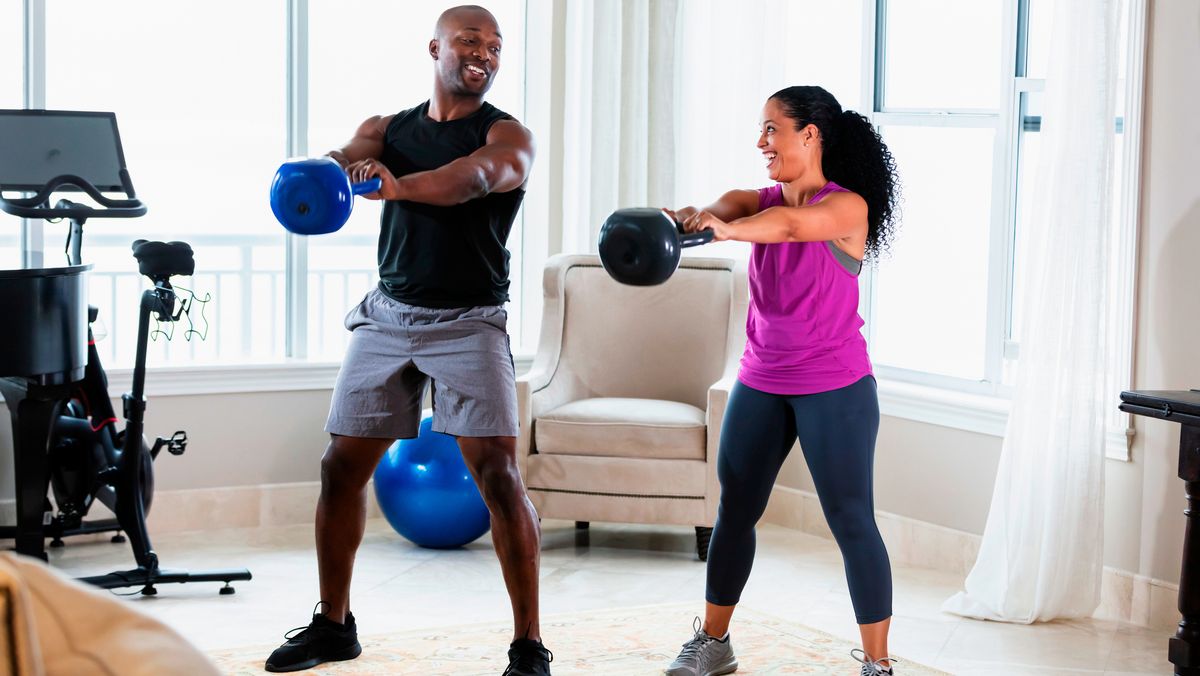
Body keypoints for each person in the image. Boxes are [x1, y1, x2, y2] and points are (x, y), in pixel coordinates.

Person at [264, 6, 550, 675]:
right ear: (435, 48)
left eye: (496, 46)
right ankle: (333, 626)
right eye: (470, 41)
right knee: (340, 469)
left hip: (470, 319)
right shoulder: (386, 129)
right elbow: (342, 161)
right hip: (389, 315)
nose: (484, 53)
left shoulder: (508, 134)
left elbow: (477, 177)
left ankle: (528, 646)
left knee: (500, 478)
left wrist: (396, 187)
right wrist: (330, 171)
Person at [662, 85, 901, 676]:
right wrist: (688, 221)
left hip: (835, 384)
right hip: (762, 378)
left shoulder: (848, 208)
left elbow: (793, 226)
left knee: (850, 517)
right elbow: (727, 206)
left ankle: (878, 664)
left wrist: (726, 229)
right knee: (735, 510)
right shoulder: (753, 199)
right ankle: (714, 644)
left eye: (773, 129)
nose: (762, 141)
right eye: (762, 129)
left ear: (810, 135)